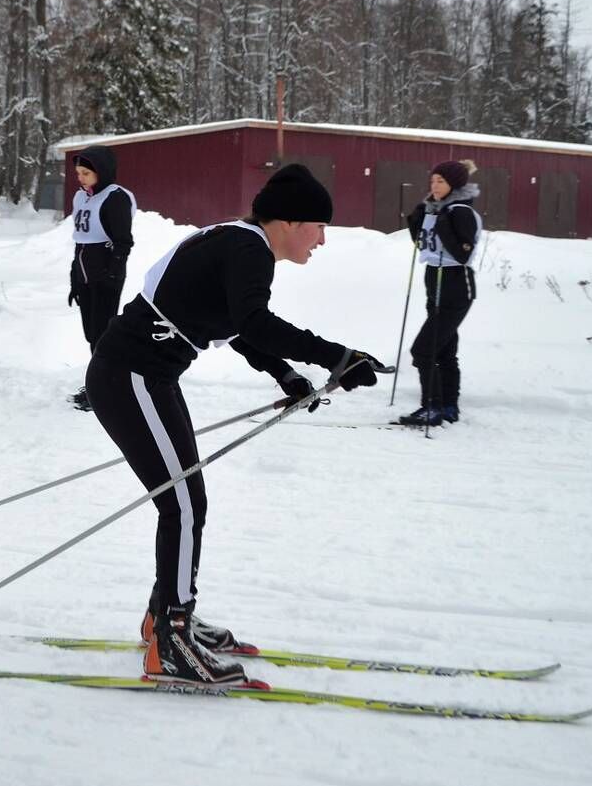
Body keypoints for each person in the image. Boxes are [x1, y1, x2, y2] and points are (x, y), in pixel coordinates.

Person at [84, 163, 387, 687]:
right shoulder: (246, 248)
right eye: (319, 226)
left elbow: (237, 329)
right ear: (290, 221)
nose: (322, 240)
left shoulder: (235, 242)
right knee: (179, 502)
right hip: (130, 375)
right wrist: (338, 356)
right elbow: (254, 323)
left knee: (186, 501)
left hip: (145, 376)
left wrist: (287, 372)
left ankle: (165, 618)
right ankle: (172, 642)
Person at [400, 158, 483, 427]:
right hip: (433, 280)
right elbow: (424, 244)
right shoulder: (434, 209)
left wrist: (440, 222)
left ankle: (432, 407)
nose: (434, 185)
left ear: (454, 185)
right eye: (433, 180)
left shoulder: (461, 212)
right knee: (444, 350)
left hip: (456, 285)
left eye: (441, 181)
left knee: (423, 350)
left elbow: (460, 253)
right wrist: (417, 221)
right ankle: (448, 405)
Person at [67, 145, 135, 411]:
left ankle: (106, 388)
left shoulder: (115, 197)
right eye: (78, 173)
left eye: (86, 173)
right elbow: (80, 241)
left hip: (105, 273)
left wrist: (112, 274)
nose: (80, 177)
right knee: (90, 334)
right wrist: (74, 280)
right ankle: (98, 383)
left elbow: (123, 242)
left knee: (102, 334)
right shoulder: (81, 197)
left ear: (102, 172)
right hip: (85, 271)